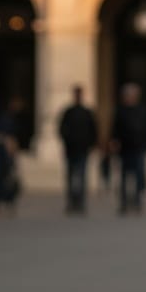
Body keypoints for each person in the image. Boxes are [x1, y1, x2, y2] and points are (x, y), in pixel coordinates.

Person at [57, 84, 99, 214]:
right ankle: (71, 201)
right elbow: (62, 130)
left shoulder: (87, 112)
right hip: (71, 149)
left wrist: (92, 145)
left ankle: (80, 202)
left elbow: (93, 130)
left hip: (83, 149)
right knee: (70, 177)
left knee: (81, 176)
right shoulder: (68, 112)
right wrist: (66, 142)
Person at [109, 83, 146, 214]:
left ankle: (137, 201)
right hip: (125, 149)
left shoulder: (142, 110)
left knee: (139, 175)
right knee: (124, 177)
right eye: (128, 95)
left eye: (132, 95)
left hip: (139, 148)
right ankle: (124, 203)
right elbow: (115, 128)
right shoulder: (120, 111)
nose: (129, 97)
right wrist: (114, 142)